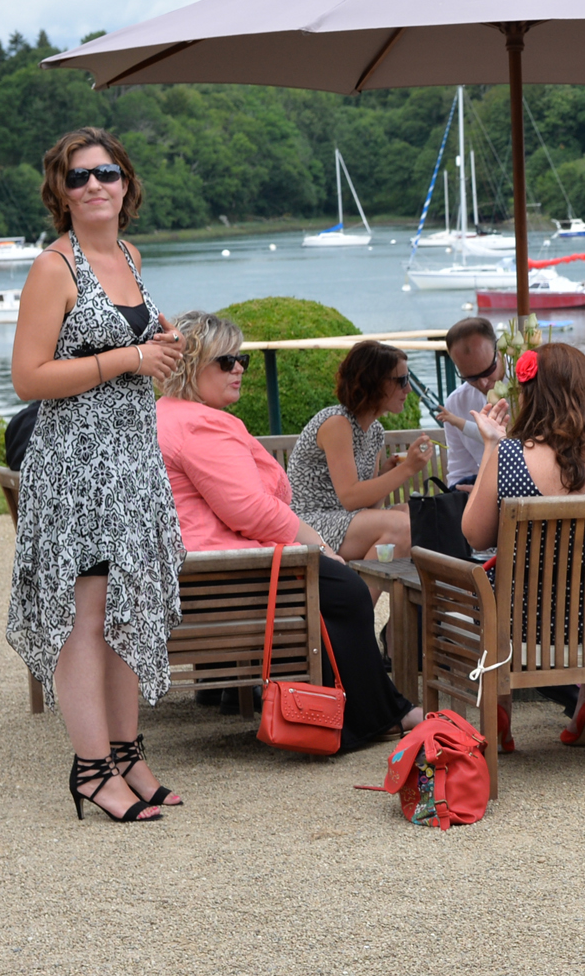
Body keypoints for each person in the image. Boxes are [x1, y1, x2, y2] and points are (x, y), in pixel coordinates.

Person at [5, 129, 187, 824]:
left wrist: (159, 347)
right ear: (61, 191)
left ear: (126, 183)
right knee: (85, 616)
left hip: (132, 461)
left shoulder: (130, 257)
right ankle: (90, 770)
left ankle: (127, 754)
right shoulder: (54, 268)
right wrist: (128, 359)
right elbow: (29, 377)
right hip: (76, 467)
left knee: (127, 609)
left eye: (106, 173)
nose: (94, 186)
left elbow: (130, 349)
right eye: (78, 177)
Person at [153, 311, 426, 747]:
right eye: (226, 361)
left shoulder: (168, 414)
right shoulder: (200, 424)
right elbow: (250, 510)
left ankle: (379, 706)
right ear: (191, 365)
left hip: (198, 568)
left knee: (337, 588)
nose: (239, 368)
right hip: (219, 572)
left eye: (242, 359)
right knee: (346, 590)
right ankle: (373, 716)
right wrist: (320, 547)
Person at [461, 342, 585, 752]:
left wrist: (491, 447)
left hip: (521, 618)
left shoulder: (509, 454)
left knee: (494, 590)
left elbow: (475, 536)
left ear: (531, 394)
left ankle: (500, 708)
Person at [285, 340, 433, 560]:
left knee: (415, 515)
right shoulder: (337, 423)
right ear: (374, 383)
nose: (408, 389)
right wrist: (408, 468)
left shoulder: (374, 431)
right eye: (402, 380)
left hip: (345, 519)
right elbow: (350, 498)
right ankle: (360, 585)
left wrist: (386, 474)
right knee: (401, 525)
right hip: (309, 525)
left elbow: (368, 505)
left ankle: (370, 582)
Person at [435, 316, 503, 487]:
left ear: (499, 351)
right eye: (471, 378)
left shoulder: (530, 388)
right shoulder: (456, 403)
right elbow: (460, 470)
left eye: (489, 370)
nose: (483, 383)